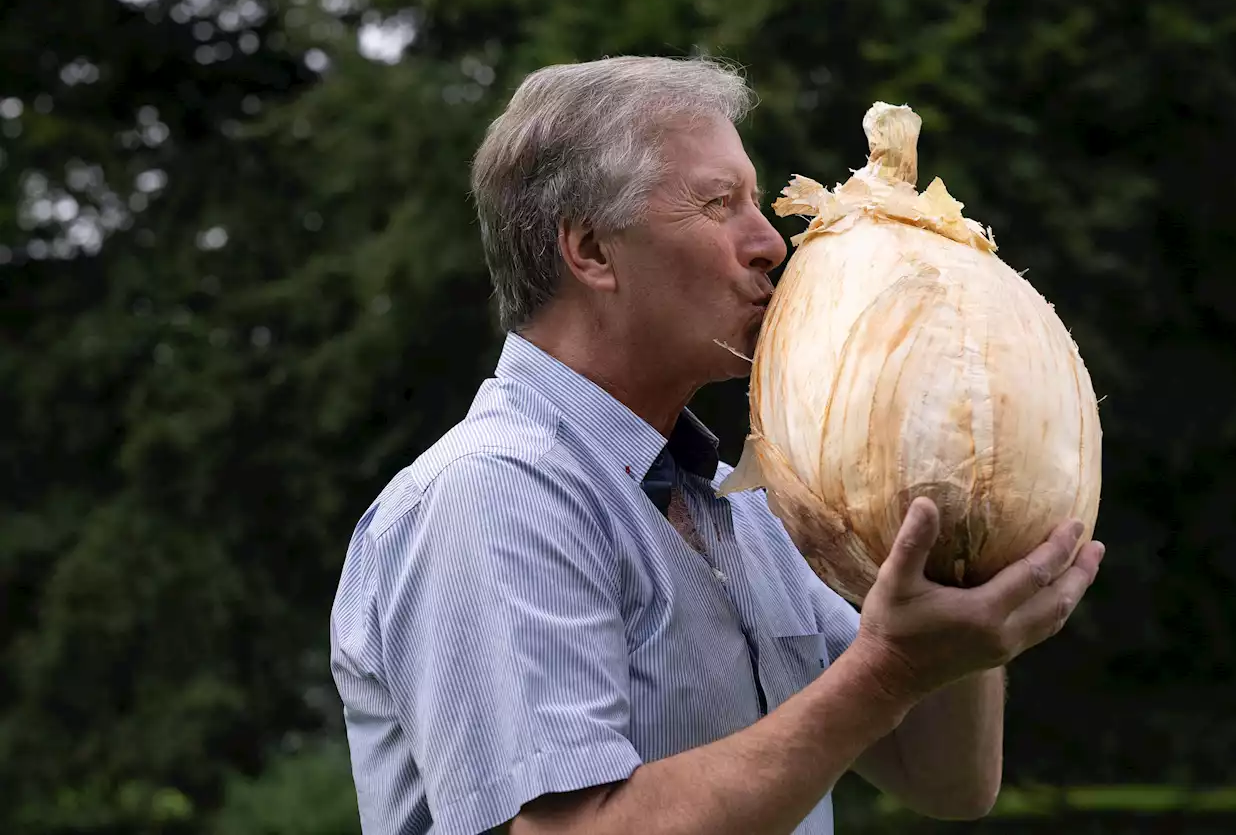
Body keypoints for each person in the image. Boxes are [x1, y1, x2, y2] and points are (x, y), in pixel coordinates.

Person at [329, 55, 1106, 835]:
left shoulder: (747, 504)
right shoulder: (494, 493)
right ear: (592, 251)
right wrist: (889, 669)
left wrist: (961, 575)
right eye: (719, 203)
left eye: (757, 203)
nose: (771, 241)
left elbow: (944, 779)